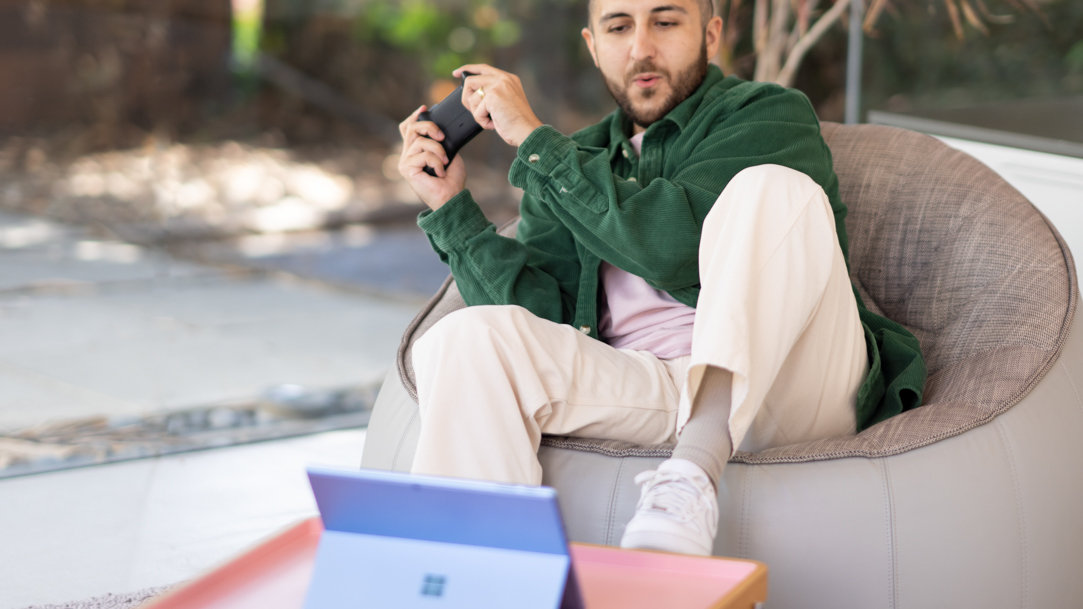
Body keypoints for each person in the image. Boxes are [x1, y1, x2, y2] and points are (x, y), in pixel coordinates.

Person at [396, 0, 925, 556]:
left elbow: (674, 250)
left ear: (711, 34)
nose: (641, 47)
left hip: (791, 378)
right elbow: (538, 319)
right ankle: (476, 584)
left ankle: (692, 475)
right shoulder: (576, 159)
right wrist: (451, 206)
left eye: (666, 22)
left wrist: (536, 142)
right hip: (653, 387)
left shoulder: (765, 114)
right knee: (465, 338)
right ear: (593, 46)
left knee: (771, 188)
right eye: (618, 27)